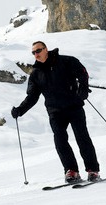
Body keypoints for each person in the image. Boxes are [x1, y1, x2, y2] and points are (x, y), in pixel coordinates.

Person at [11, 41, 100, 183]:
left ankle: (93, 170)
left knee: (82, 137)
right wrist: (20, 110)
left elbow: (83, 73)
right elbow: (32, 97)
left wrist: (83, 90)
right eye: (33, 52)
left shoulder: (66, 61)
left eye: (38, 50)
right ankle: (71, 171)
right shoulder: (36, 74)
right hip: (55, 111)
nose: (36, 54)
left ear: (46, 49)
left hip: (74, 106)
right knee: (59, 140)